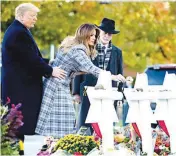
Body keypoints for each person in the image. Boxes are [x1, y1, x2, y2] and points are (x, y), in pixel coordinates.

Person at [35, 23, 121, 138]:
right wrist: (113, 76)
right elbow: (92, 68)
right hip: (57, 87)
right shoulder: (78, 51)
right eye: (91, 35)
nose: (94, 38)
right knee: (64, 122)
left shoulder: (71, 44)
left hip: (57, 84)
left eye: (95, 36)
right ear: (84, 35)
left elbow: (68, 66)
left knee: (60, 122)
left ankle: (52, 149)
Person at [1, 3, 66, 154]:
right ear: (21, 16)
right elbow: (30, 59)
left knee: (20, 126)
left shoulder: (18, 31)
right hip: (21, 90)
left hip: (20, 88)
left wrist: (47, 63)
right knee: (21, 127)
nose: (35, 19)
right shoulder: (19, 33)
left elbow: (31, 57)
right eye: (32, 16)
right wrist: (50, 71)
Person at [72, 17, 125, 134]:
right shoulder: (89, 47)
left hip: (109, 90)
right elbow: (78, 70)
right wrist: (75, 92)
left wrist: (121, 92)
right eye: (104, 33)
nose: (106, 36)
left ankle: (104, 145)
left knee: (106, 120)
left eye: (110, 34)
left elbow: (120, 72)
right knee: (85, 119)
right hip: (88, 88)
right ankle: (85, 143)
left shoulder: (117, 51)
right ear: (99, 32)